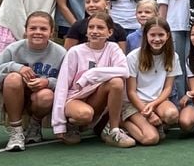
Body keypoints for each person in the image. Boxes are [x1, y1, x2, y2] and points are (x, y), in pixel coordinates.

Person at [51, 11, 133, 148]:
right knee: (85, 114)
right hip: (75, 98)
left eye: (100, 28)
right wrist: (58, 124)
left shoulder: (113, 48)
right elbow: (62, 86)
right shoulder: (75, 51)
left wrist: (92, 74)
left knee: (117, 82)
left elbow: (125, 71)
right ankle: (71, 124)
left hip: (96, 98)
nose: (94, 31)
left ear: (109, 32)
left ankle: (113, 131)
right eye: (91, 27)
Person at [0, 11, 66, 150]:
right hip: (14, 96)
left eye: (43, 29)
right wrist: (15, 67)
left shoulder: (60, 53)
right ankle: (16, 131)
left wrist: (47, 82)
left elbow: (66, 81)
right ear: (26, 30)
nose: (37, 32)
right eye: (33, 28)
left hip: (40, 100)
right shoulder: (13, 49)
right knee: (13, 78)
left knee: (46, 95)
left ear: (52, 32)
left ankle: (34, 126)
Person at [122, 17, 180, 146]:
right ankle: (122, 122)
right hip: (135, 103)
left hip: (157, 101)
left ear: (168, 35)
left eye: (161, 35)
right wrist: (147, 112)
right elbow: (131, 92)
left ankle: (152, 123)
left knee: (172, 115)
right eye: (152, 35)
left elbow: (167, 88)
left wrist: (153, 105)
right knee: (151, 139)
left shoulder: (173, 56)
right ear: (145, 35)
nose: (157, 39)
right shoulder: (133, 57)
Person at [157, 0, 193, 90]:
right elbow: (163, 2)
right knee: (176, 63)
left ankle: (192, 98)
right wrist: (161, 25)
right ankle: (178, 98)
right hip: (174, 25)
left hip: (193, 26)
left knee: (191, 63)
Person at [62, 0, 129, 52]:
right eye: (87, 2)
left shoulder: (118, 29)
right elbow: (68, 53)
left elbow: (121, 56)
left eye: (96, 1)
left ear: (107, 4)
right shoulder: (77, 26)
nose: (91, 5)